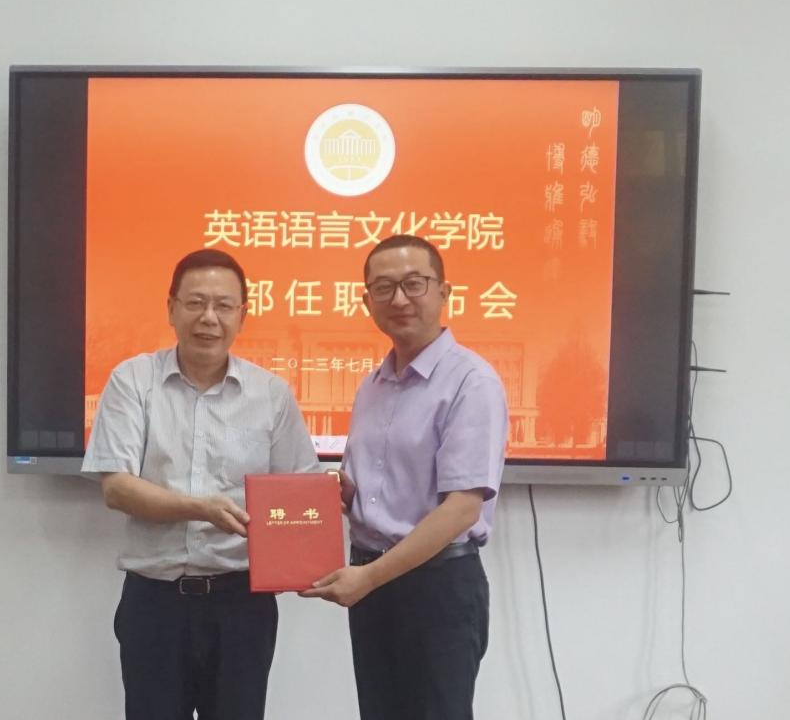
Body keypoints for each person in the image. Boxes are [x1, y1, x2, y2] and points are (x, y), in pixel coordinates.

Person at [82, 248, 320, 720]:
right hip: (155, 603)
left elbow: (302, 490)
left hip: (241, 606)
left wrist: (330, 503)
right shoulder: (134, 380)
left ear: (242, 315)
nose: (209, 318)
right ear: (171, 308)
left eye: (223, 305)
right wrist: (201, 508)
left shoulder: (271, 395)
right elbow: (118, 488)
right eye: (195, 303)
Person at [301, 235, 508, 720]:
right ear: (366, 300)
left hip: (436, 588)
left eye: (414, 284)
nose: (399, 299)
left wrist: (369, 578)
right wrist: (336, 494)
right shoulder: (373, 385)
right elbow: (375, 487)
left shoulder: (471, 382)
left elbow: (461, 509)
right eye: (384, 288)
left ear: (444, 292)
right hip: (373, 584)